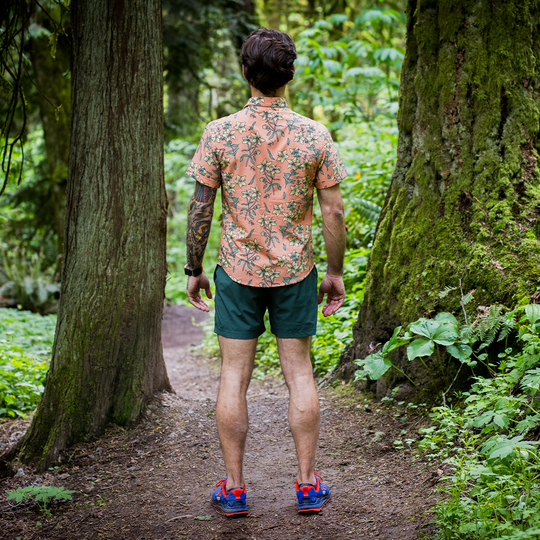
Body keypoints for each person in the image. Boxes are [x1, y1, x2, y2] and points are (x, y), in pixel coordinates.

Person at [184, 27, 347, 516]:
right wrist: (334, 273)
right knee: (300, 373)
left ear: (245, 73)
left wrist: (194, 267)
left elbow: (201, 206)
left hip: (237, 270)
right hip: (296, 271)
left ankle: (234, 489)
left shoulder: (219, 132)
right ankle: (308, 486)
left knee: (234, 376)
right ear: (289, 74)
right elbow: (334, 211)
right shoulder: (314, 134)